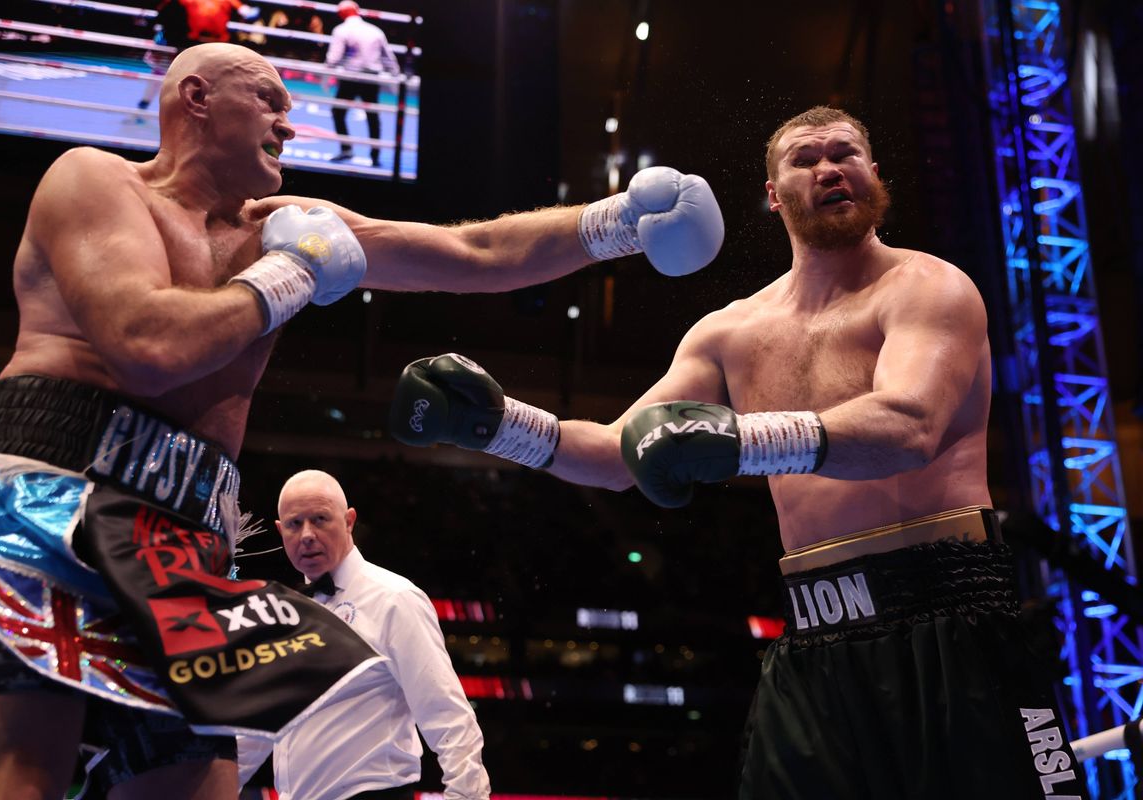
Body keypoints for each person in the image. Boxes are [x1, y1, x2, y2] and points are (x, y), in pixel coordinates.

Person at [0, 41, 722, 800]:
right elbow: (148, 344)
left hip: (180, 534)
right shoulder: (95, 180)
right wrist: (292, 273)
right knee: (20, 770)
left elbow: (472, 251)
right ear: (197, 100)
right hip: (52, 494)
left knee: (187, 781)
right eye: (270, 100)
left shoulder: (283, 221)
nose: (291, 123)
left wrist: (619, 222)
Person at [388, 106, 1089, 799]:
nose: (828, 168)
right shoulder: (729, 332)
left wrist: (742, 440)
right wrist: (499, 424)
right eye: (805, 159)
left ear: (873, 173)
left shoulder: (929, 287)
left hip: (954, 615)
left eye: (844, 153)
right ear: (774, 193)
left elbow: (909, 425)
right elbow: (619, 454)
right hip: (816, 637)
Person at [237, 470, 490, 800]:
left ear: (349, 521)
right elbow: (258, 727)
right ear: (279, 530)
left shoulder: (394, 598)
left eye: (320, 519)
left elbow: (448, 714)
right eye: (294, 524)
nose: (307, 535)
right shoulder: (287, 612)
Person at [324, 1, 399, 165]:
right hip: (371, 79)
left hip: (350, 78)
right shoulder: (375, 30)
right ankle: (375, 155)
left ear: (341, 14)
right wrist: (396, 76)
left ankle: (346, 149)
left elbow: (333, 59)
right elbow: (388, 57)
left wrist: (325, 75)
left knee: (338, 112)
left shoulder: (341, 30)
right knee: (373, 116)